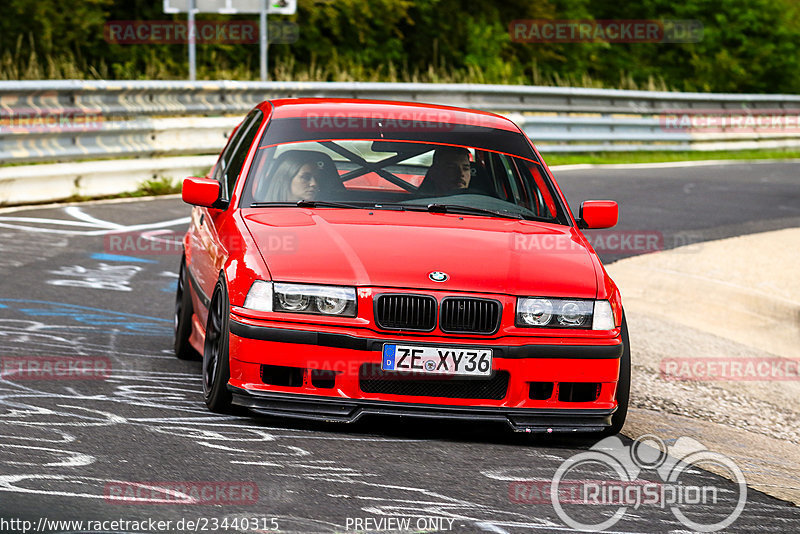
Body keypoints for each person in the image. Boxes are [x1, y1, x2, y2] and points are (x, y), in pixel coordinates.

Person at [262, 150, 342, 202]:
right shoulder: (261, 214)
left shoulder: (329, 212)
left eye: (317, 178)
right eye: (305, 177)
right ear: (286, 179)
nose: (314, 183)